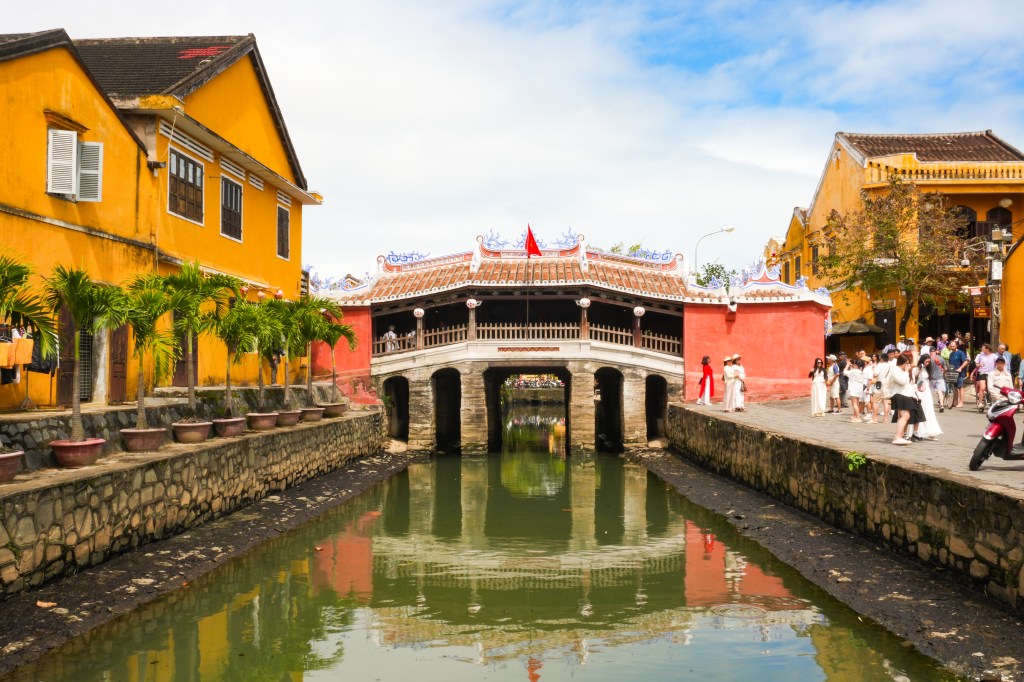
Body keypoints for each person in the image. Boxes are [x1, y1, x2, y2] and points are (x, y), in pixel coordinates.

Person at [890, 355, 925, 446]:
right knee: (905, 416)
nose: (908, 365)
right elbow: (902, 382)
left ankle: (900, 436)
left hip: (905, 395)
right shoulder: (895, 370)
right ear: (903, 363)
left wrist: (913, 395)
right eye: (907, 363)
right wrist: (906, 371)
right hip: (899, 395)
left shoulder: (901, 371)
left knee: (902, 416)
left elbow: (907, 385)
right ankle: (897, 437)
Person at [914, 355, 942, 441]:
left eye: (929, 362)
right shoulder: (917, 369)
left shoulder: (927, 369)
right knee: (921, 410)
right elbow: (914, 378)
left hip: (926, 391)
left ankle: (931, 432)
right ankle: (918, 432)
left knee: (929, 410)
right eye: (926, 361)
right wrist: (919, 370)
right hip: (919, 391)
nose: (927, 363)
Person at [974, 343, 997, 411]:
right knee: (982, 388)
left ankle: (992, 400)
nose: (982, 349)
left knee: (991, 388)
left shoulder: (994, 356)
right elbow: (976, 364)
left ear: (987, 349)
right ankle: (980, 402)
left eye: (983, 348)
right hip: (982, 373)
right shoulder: (980, 355)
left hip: (991, 374)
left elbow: (997, 364)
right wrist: (979, 365)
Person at [845, 358, 866, 423]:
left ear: (856, 365)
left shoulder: (853, 371)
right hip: (859, 389)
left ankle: (858, 418)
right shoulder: (861, 372)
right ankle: (855, 416)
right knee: (856, 403)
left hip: (854, 389)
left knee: (854, 404)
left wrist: (847, 365)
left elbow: (845, 372)